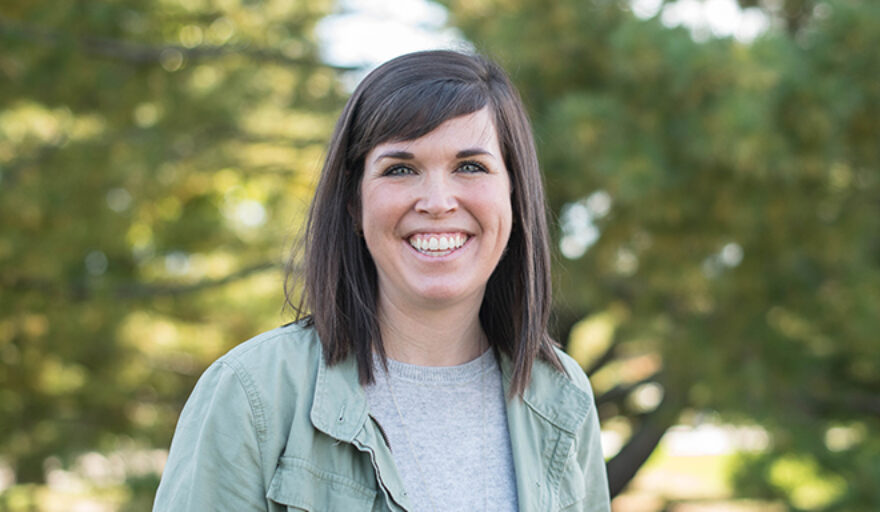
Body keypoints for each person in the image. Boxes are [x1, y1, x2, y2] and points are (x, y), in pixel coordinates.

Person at [153, 50, 610, 512]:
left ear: (514, 191)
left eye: (470, 166)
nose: (437, 201)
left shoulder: (561, 395)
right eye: (400, 169)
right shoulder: (252, 393)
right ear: (354, 202)